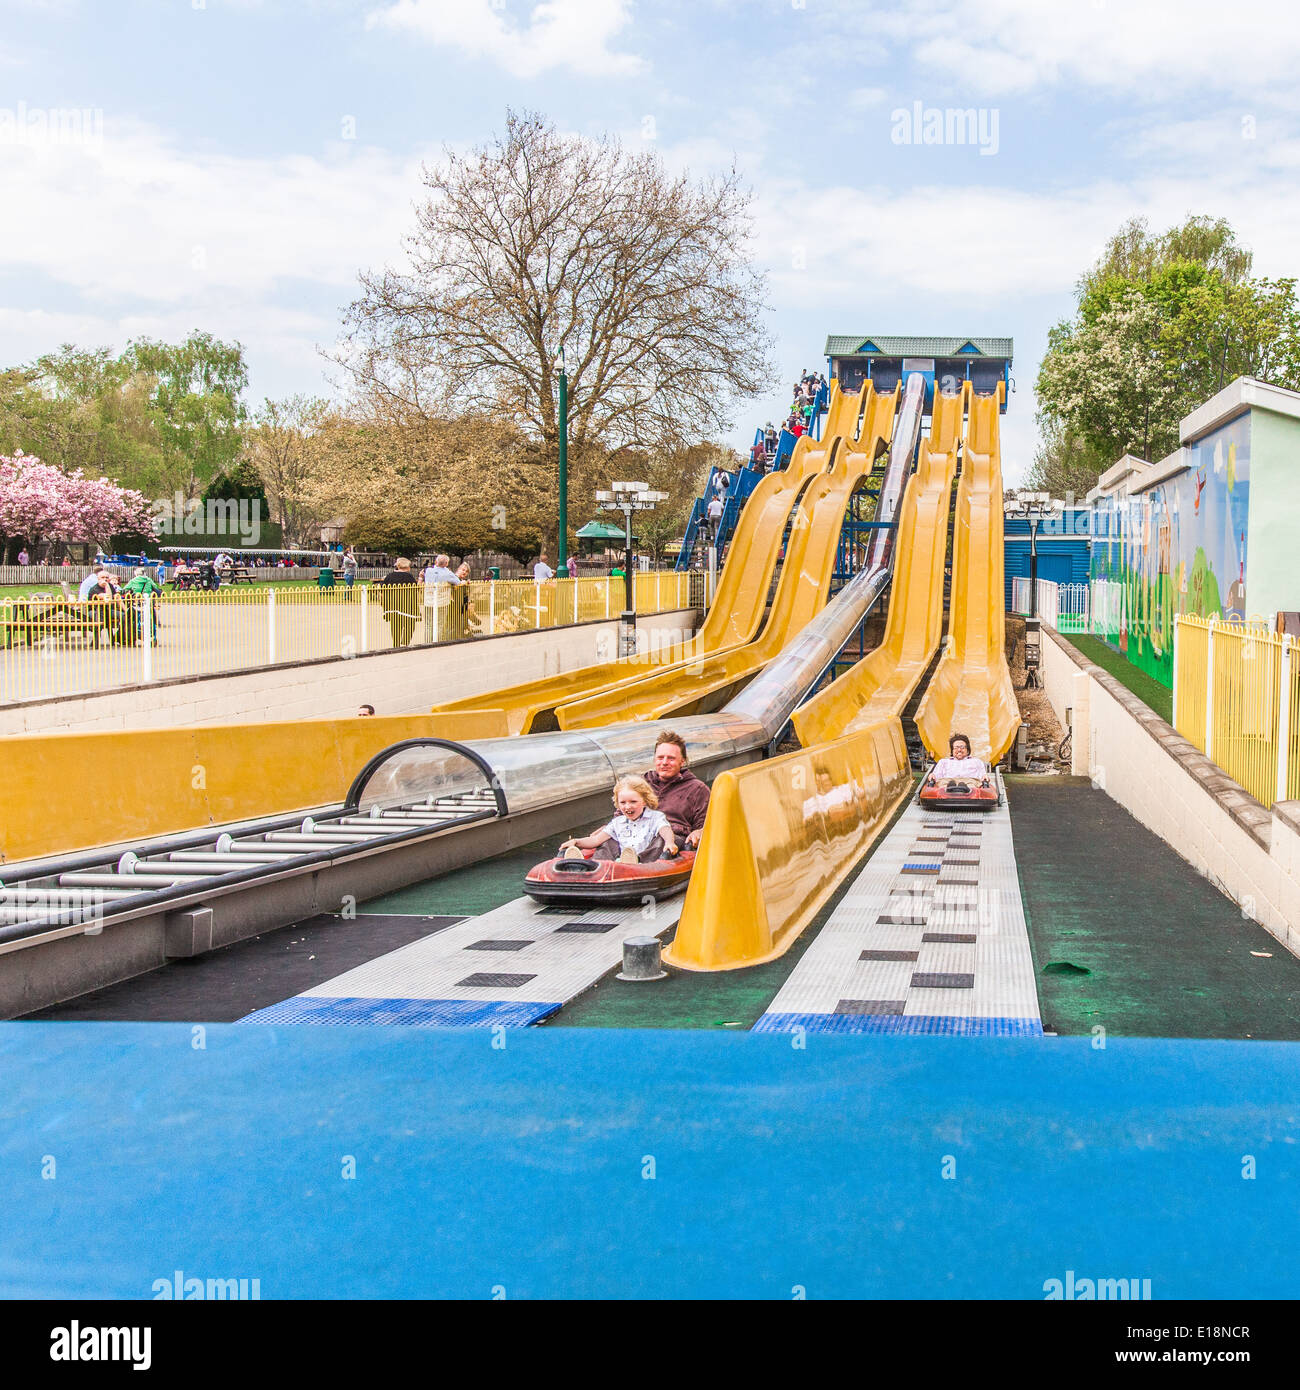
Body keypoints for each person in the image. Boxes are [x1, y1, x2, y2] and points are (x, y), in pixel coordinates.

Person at [559, 775, 679, 865]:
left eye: (633, 801)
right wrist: (576, 842)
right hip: (621, 862)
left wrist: (669, 842)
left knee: (659, 841)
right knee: (606, 843)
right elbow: (596, 840)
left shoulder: (655, 817)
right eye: (623, 802)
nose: (627, 807)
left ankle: (635, 860)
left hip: (646, 862)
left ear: (644, 801)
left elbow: (665, 830)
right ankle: (585, 866)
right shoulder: (618, 822)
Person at [642, 731, 711, 849]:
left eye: (671, 758)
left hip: (673, 844)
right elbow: (619, 816)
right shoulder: (641, 784)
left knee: (660, 840)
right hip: (639, 834)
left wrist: (699, 831)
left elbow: (705, 825)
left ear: (682, 761)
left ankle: (636, 861)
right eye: (660, 757)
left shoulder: (698, 789)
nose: (664, 762)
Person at [378, 557, 421, 647]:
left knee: (395, 625)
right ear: (408, 567)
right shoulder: (409, 577)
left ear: (397, 566)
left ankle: (396, 643)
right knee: (410, 624)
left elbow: (382, 590)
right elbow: (416, 589)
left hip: (393, 605)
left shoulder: (389, 576)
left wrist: (383, 602)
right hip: (407, 605)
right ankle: (405, 641)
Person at [423, 553, 461, 640]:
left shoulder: (428, 571)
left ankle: (427, 641)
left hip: (429, 601)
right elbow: (457, 581)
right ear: (447, 563)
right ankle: (437, 641)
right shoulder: (448, 573)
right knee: (440, 624)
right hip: (442, 602)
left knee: (429, 624)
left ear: (436, 561)